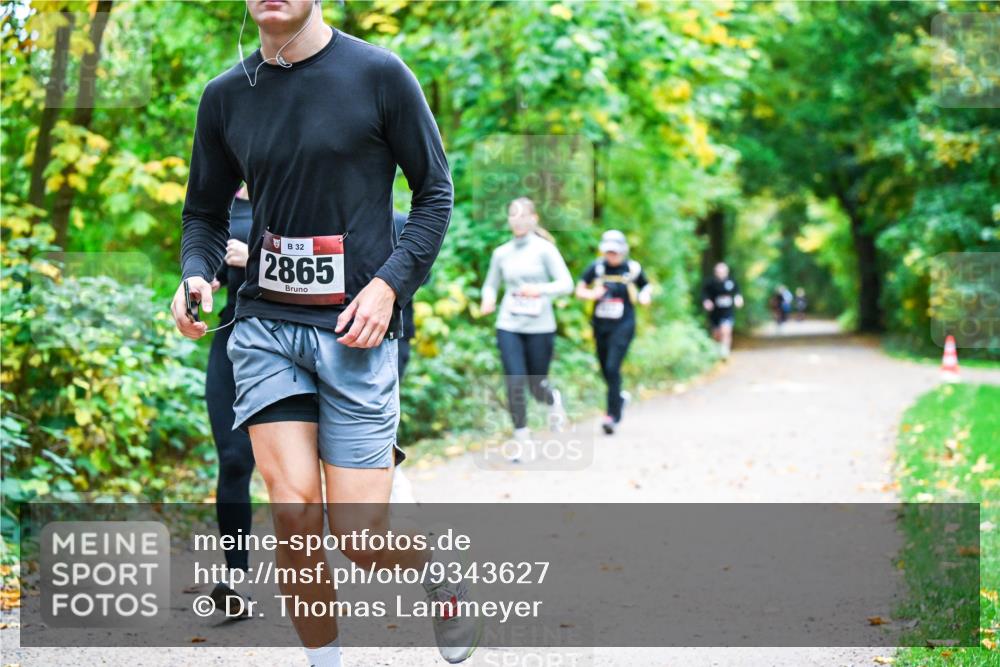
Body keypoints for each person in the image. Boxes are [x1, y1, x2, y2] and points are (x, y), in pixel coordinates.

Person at [172, 2, 479, 665]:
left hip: (354, 332)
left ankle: (437, 572)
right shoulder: (225, 96)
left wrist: (390, 285)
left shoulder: (379, 75)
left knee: (361, 538)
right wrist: (195, 273)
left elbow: (435, 193)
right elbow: (203, 213)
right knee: (294, 513)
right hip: (265, 327)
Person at [480, 197, 573, 456]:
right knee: (515, 381)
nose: (518, 220)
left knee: (536, 385)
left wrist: (539, 290)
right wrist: (488, 298)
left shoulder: (545, 250)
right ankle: (522, 440)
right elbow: (490, 285)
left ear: (534, 219)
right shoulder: (501, 253)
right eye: (513, 215)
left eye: (523, 215)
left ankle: (552, 399)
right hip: (509, 324)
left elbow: (566, 284)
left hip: (540, 326)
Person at [204, 186, 255, 617]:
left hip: (287, 335)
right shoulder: (224, 203)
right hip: (230, 335)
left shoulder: (294, 186)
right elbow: (212, 265)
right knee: (234, 460)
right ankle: (238, 581)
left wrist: (254, 258)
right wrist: (201, 281)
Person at [575, 230, 652, 435]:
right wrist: (592, 294)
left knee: (612, 367)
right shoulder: (597, 268)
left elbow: (646, 286)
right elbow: (579, 289)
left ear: (623, 251)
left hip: (624, 325)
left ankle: (611, 415)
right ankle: (619, 399)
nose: (612, 255)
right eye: (608, 251)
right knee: (605, 369)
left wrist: (645, 296)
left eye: (615, 251)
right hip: (600, 326)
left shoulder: (632, 269)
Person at [701, 262, 743, 360]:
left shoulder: (732, 282)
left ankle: (725, 351)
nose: (721, 274)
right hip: (715, 312)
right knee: (716, 334)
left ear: (727, 272)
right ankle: (717, 351)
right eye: (718, 272)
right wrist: (706, 301)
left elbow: (737, 292)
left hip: (727, 312)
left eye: (723, 272)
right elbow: (704, 294)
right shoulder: (710, 283)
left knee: (726, 330)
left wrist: (738, 299)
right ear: (715, 272)